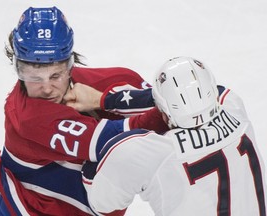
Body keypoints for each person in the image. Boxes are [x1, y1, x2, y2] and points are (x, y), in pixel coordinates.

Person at [0, 6, 168, 216]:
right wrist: (106, 101)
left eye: (56, 75)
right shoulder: (26, 118)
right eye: (34, 77)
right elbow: (125, 141)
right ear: (19, 70)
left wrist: (104, 99)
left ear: (69, 64)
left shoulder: (108, 81)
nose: (47, 88)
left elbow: (169, 100)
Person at [82, 57, 267, 216]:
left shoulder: (148, 152)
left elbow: (101, 203)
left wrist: (104, 101)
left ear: (163, 112)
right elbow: (217, 92)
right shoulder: (234, 107)